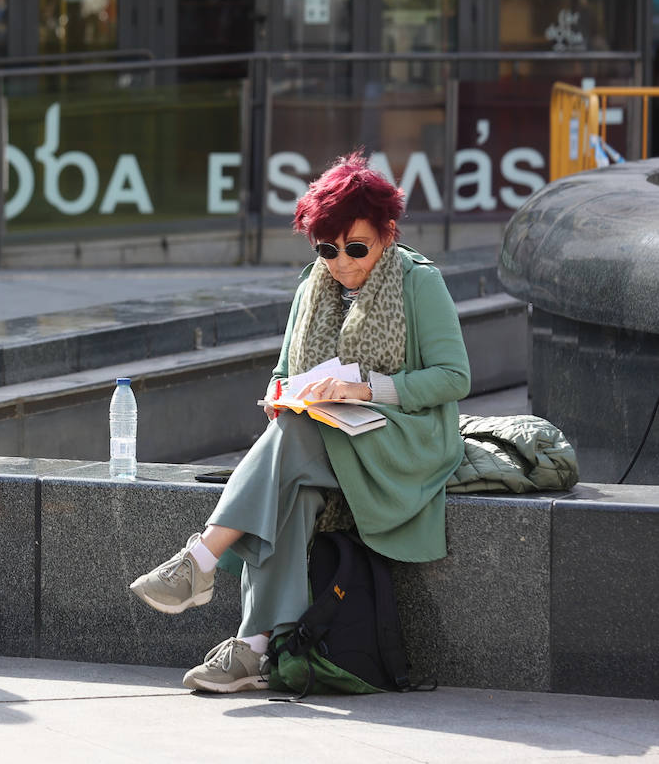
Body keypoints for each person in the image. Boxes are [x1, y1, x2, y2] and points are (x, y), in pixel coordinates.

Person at [129, 151, 469, 692]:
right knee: (294, 483)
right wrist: (279, 395)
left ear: (387, 233)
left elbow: (453, 377)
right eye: (327, 249)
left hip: (400, 439)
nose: (340, 261)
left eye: (356, 247)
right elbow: (284, 370)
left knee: (293, 439)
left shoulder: (418, 282)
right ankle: (258, 647)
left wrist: (366, 389)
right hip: (321, 439)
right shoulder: (314, 284)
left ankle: (201, 560)